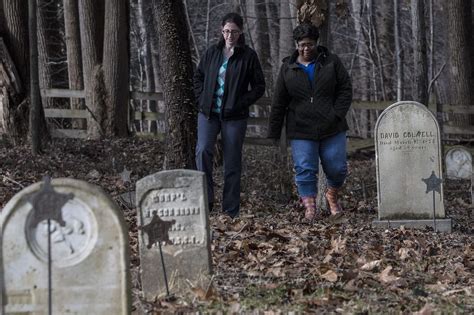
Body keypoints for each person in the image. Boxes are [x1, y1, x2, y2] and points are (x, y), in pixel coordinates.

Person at [267, 23, 352, 221]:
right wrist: (274, 131)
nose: (306, 49)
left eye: (311, 44)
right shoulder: (288, 68)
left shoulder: (331, 62)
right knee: (305, 168)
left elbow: (345, 89)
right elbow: (279, 101)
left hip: (332, 126)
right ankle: (310, 208)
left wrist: (337, 114)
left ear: (317, 43)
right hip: (301, 127)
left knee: (337, 167)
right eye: (302, 45)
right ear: (297, 44)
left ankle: (331, 194)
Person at [194, 12, 265, 218]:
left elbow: (259, 86)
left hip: (235, 116)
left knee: (232, 161)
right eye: (226, 31)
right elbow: (198, 77)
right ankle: (205, 203)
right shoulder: (212, 53)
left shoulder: (248, 56)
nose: (229, 35)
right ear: (221, 31)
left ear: (240, 32)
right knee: (203, 151)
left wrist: (240, 102)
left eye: (234, 31)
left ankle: (230, 210)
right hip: (208, 114)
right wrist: (202, 99)